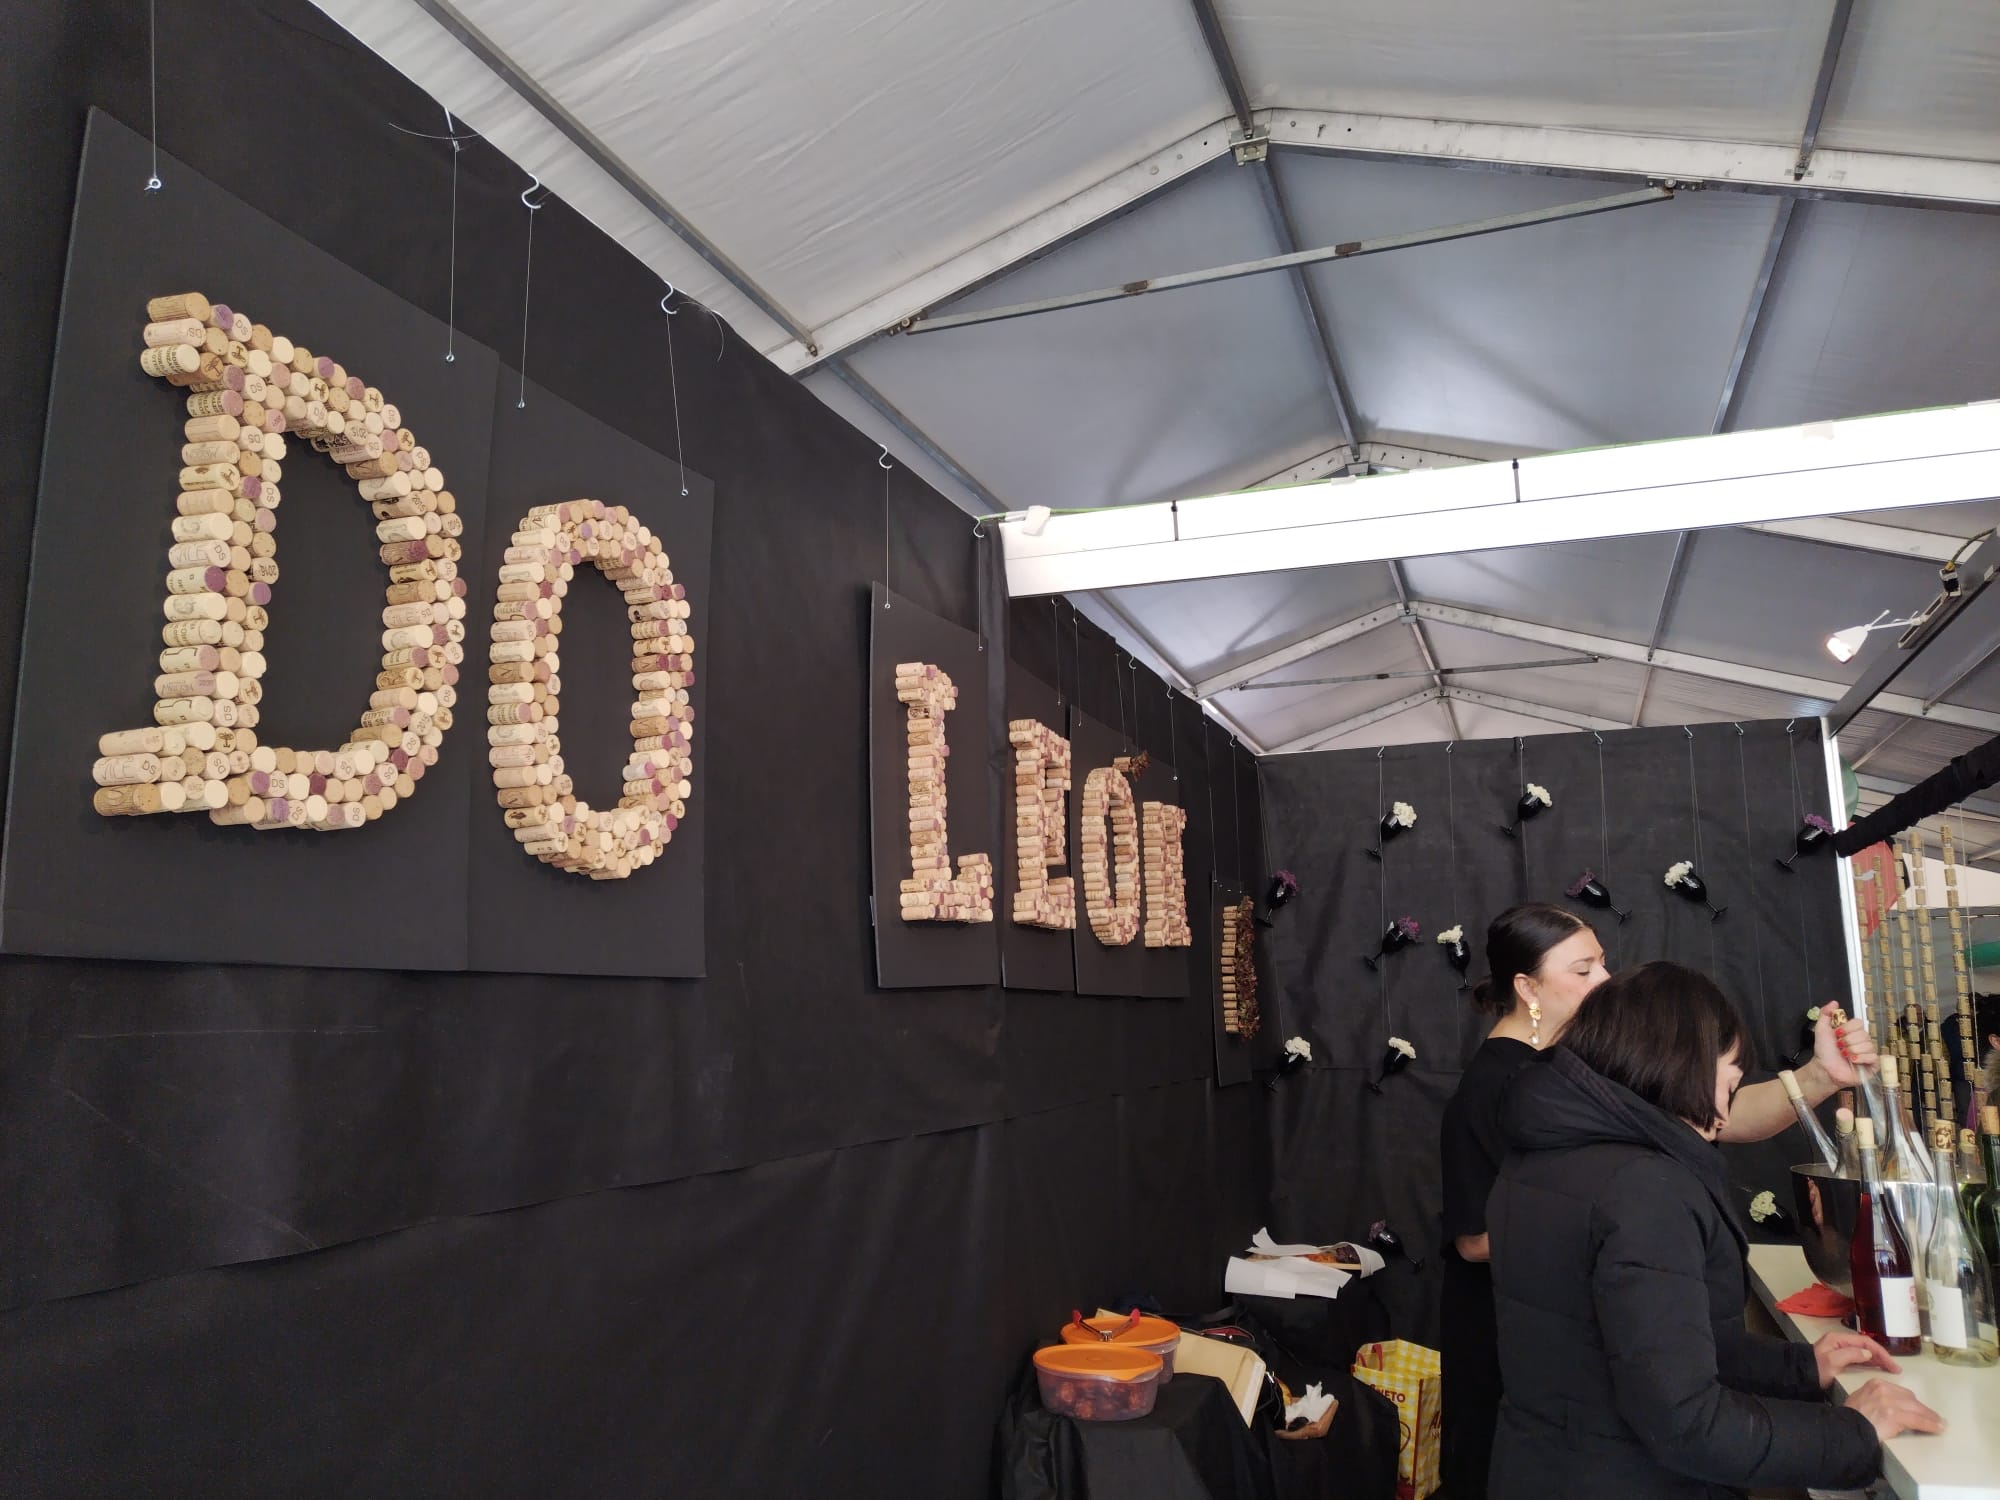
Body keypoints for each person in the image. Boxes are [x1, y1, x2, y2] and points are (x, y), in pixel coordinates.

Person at [1437, 904, 1878, 1500]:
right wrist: (1852, 1436)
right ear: (1527, 987)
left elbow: (1713, 1114)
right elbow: (1684, 1420)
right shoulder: (1632, 1182)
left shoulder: (1575, 1108)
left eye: (1603, 965)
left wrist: (1820, 1077)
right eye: (1583, 970)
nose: (1603, 980)